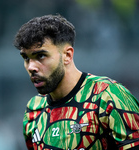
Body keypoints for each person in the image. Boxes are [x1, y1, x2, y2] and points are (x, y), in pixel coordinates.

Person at [13, 14, 139, 150]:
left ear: (67, 55)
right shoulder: (33, 109)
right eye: (26, 58)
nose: (31, 67)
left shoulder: (109, 96)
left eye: (41, 56)